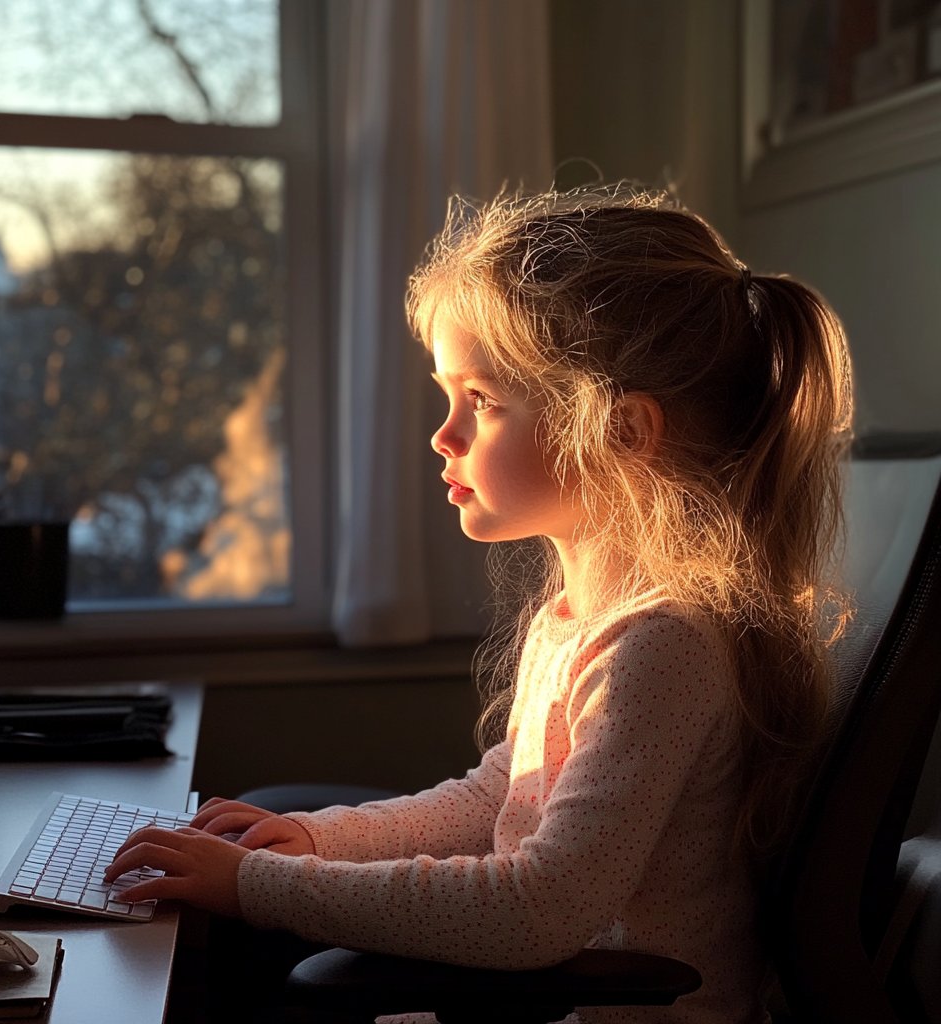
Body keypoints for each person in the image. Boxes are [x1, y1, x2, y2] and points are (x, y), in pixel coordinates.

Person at [105, 183, 854, 1023]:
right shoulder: (582, 615)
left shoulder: (664, 647)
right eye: (448, 396)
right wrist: (321, 839)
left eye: (484, 402)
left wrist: (261, 886)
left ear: (621, 433)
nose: (444, 434)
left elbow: (537, 908)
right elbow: (504, 795)